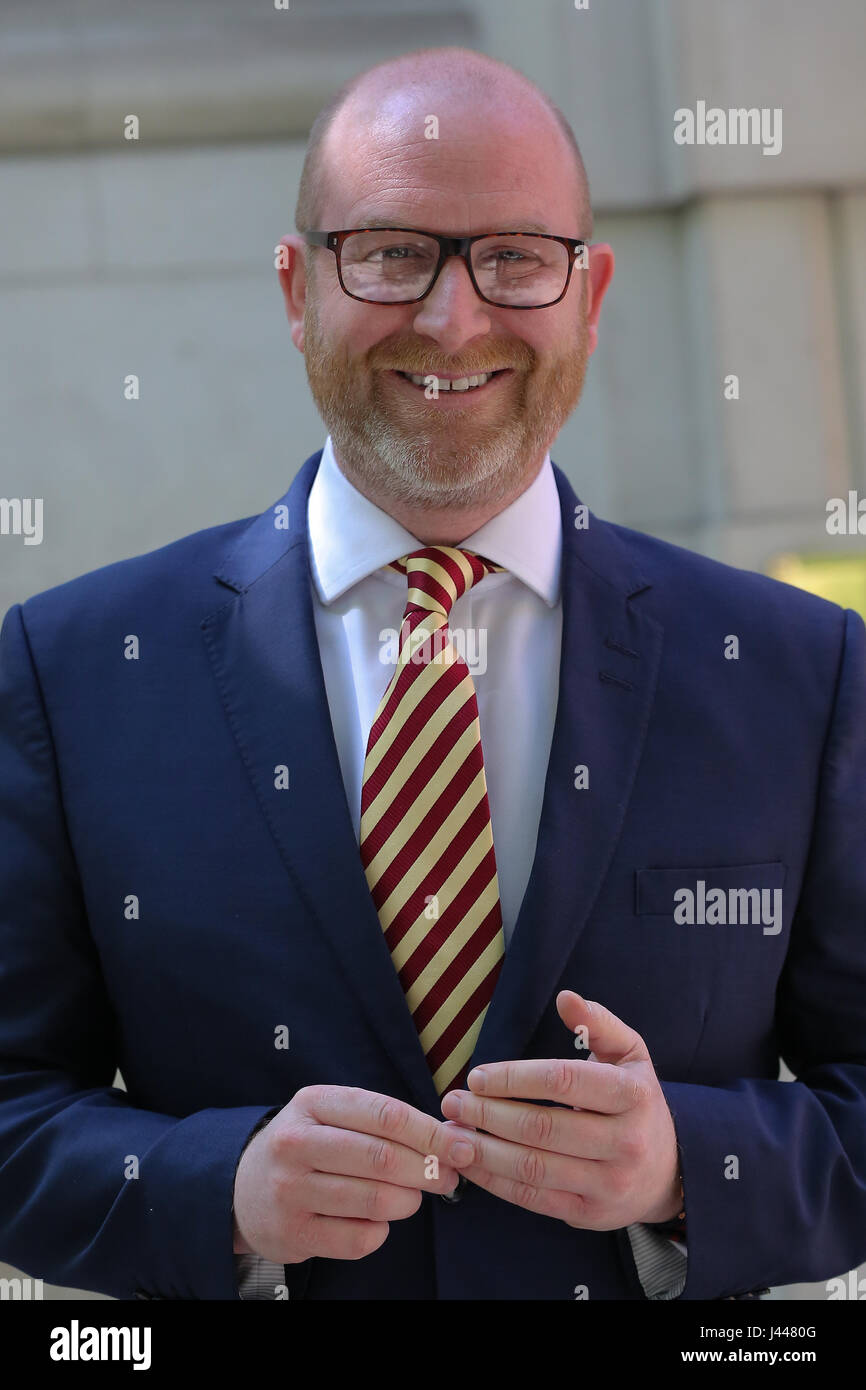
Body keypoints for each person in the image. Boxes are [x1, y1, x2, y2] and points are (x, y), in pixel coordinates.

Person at [0, 46, 864, 1303]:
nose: (453, 318)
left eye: (513, 255)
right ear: (297, 289)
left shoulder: (799, 673)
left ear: (590, 291)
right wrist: (216, 1186)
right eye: (391, 251)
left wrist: (690, 1165)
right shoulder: (72, 672)